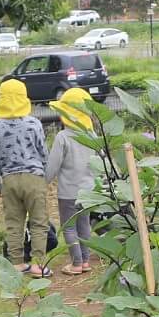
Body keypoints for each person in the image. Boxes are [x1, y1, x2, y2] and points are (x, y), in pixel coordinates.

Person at [0, 77, 52, 275]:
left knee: (14, 223)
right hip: (34, 178)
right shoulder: (34, 124)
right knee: (39, 222)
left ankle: (16, 263)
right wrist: (46, 179)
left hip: (9, 180)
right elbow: (43, 153)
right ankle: (38, 264)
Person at [47, 87, 99, 274]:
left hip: (68, 192)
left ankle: (76, 263)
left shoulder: (63, 138)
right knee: (84, 226)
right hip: (89, 192)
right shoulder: (92, 136)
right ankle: (85, 261)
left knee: (69, 227)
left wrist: (44, 181)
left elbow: (53, 165)